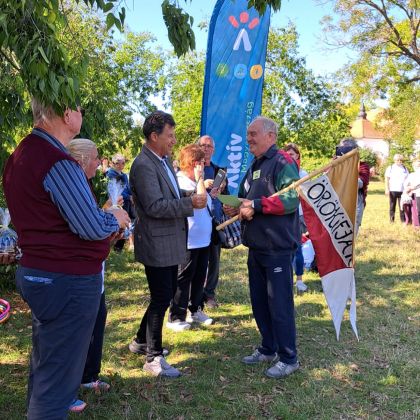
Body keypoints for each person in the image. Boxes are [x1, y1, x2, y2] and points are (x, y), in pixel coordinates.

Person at [2, 98, 130, 418]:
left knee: (48, 365)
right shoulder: (55, 159)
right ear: (65, 114)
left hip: (42, 272)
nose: (82, 114)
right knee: (58, 379)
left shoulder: (24, 153)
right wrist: (116, 217)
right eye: (78, 108)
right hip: (65, 279)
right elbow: (89, 226)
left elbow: (60, 222)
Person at [128, 110, 207, 378]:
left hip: (169, 241)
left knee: (164, 292)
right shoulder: (143, 165)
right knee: (162, 296)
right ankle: (153, 357)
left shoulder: (162, 160)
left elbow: (168, 194)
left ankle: (141, 341)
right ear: (154, 136)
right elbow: (154, 206)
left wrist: (189, 193)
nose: (174, 140)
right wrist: (189, 203)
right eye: (169, 135)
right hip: (157, 243)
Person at [224, 116, 300, 379]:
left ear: (271, 135)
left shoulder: (283, 162)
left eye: (253, 134)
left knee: (279, 304)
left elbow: (291, 200)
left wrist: (255, 206)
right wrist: (236, 205)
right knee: (259, 302)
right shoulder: (255, 164)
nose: (249, 139)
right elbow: (248, 195)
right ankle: (268, 348)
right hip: (256, 246)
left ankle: (289, 357)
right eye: (247, 135)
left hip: (277, 247)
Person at [67, 138, 120, 394]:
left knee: (97, 318)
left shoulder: (84, 184)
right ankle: (70, 385)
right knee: (81, 326)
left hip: (92, 267)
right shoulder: (71, 184)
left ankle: (88, 375)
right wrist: (111, 220)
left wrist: (110, 226)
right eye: (96, 157)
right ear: (81, 160)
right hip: (78, 270)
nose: (100, 163)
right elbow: (83, 228)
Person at [167, 144, 214, 331]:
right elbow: (199, 202)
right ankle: (176, 316)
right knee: (183, 278)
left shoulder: (196, 182)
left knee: (199, 276)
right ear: (194, 163)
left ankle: (196, 309)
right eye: (201, 162)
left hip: (204, 239)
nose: (204, 165)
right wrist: (201, 179)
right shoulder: (180, 182)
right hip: (188, 239)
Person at [198, 134, 228, 308]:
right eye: (203, 145)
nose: (206, 149)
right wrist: (201, 182)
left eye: (209, 146)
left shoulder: (220, 171)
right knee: (195, 260)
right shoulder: (193, 169)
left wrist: (223, 189)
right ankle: (194, 294)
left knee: (214, 260)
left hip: (215, 222)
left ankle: (209, 295)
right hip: (196, 223)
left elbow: (227, 197)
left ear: (214, 150)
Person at [284, 143, 308, 293]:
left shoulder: (303, 173)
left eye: (292, 154)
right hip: (283, 214)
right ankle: (286, 279)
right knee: (285, 249)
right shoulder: (280, 171)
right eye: (287, 154)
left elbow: (305, 194)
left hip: (297, 215)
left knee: (297, 248)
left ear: (297, 156)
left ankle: (299, 280)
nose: (289, 157)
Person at [336, 138, 370, 235]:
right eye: (342, 149)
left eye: (347, 149)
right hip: (337, 202)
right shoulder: (335, 164)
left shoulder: (362, 165)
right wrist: (337, 164)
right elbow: (328, 178)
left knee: (350, 237)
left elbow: (361, 183)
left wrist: (347, 169)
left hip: (355, 203)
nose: (344, 152)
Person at [106, 153, 135, 252]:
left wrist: (132, 195)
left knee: (126, 222)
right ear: (113, 163)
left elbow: (128, 187)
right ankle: (115, 246)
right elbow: (114, 191)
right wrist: (128, 196)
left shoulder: (123, 175)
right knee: (117, 223)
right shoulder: (110, 174)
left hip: (126, 202)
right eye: (119, 163)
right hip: (115, 203)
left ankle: (119, 246)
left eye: (123, 163)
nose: (122, 165)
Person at [385, 154, 409, 223]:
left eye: (401, 160)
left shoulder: (405, 168)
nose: (399, 161)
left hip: (403, 190)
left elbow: (408, 179)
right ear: (394, 160)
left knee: (402, 206)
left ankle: (403, 220)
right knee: (392, 206)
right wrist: (387, 189)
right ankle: (392, 220)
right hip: (393, 190)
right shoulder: (390, 167)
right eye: (397, 160)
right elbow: (387, 179)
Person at [404, 158, 420, 227]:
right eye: (416, 165)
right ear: (413, 166)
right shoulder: (411, 174)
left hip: (416, 192)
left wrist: (412, 187)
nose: (417, 167)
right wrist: (408, 188)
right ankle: (417, 225)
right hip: (415, 194)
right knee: (417, 211)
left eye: (419, 165)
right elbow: (405, 183)